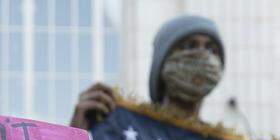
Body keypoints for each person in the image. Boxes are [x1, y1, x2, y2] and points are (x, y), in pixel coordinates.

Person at [71, 14, 224, 129]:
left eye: (211, 49)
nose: (202, 54)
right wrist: (74, 138)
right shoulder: (126, 132)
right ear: (163, 61)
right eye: (190, 46)